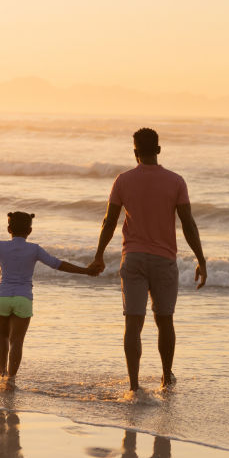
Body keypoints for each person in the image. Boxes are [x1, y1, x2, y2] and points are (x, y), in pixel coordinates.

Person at [88, 127, 206, 392]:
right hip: (164, 260)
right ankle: (166, 377)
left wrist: (99, 255)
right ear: (159, 150)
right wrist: (201, 259)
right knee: (165, 321)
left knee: (133, 323)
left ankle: (133, 385)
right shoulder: (176, 181)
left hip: (134, 259)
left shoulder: (123, 180)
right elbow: (188, 223)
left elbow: (109, 221)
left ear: (135, 152)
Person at [0, 212, 97, 387]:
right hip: (23, 299)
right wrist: (86, 271)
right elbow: (58, 264)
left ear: (8, 229)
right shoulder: (35, 249)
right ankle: (10, 381)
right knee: (17, 341)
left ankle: (1, 373)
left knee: (2, 336)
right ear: (29, 230)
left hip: (2, 297)